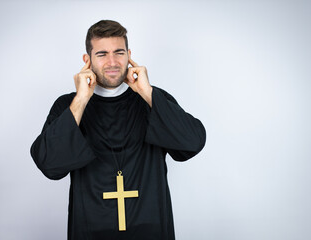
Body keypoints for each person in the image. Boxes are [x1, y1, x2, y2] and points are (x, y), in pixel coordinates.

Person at [31, 20, 206, 240]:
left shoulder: (151, 99)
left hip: (151, 230)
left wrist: (148, 92)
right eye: (102, 54)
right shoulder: (69, 105)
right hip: (90, 232)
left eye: (119, 52)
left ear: (129, 55)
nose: (112, 62)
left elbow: (192, 142)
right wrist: (82, 98)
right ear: (87, 60)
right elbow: (49, 164)